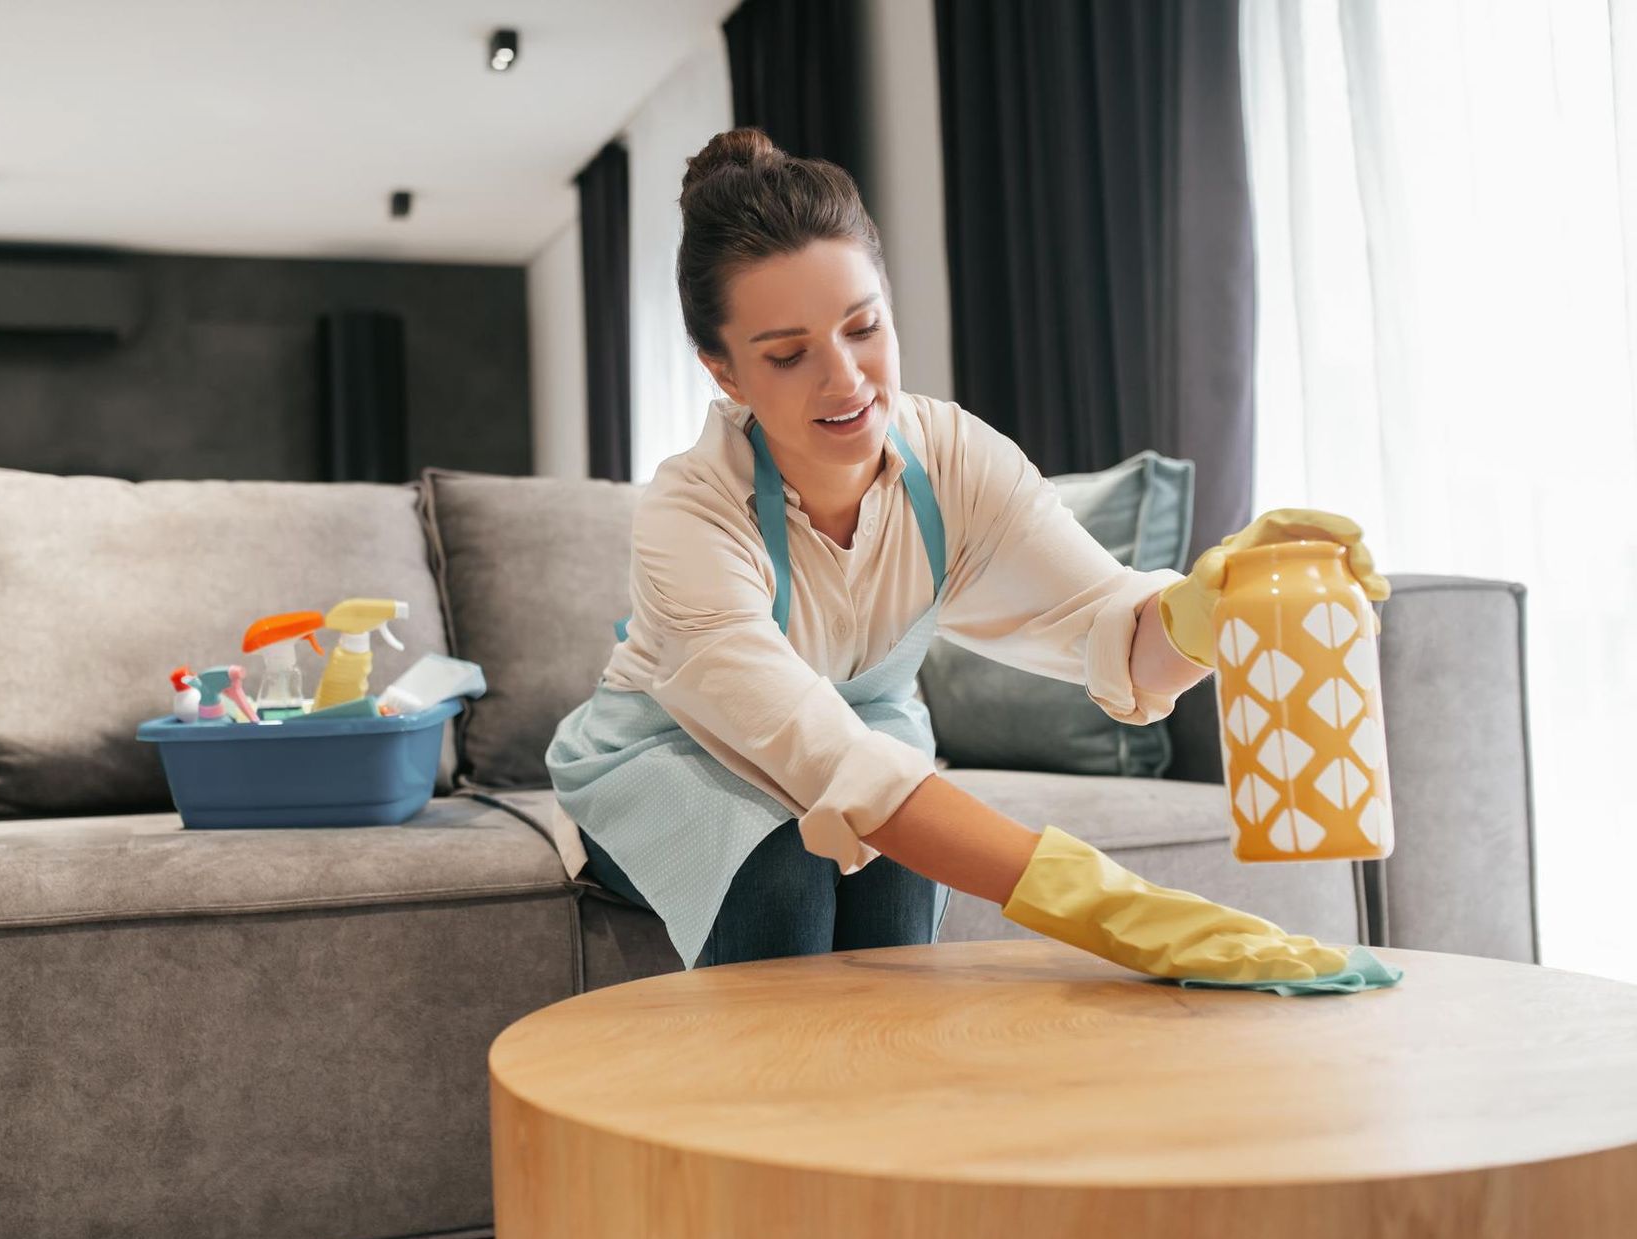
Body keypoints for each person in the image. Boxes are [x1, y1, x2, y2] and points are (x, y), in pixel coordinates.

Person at [545, 126, 1395, 992]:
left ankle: (900, 1117)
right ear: (723, 372)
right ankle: (767, 1120)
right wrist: (1114, 911)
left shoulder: (951, 459)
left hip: (863, 743)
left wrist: (1208, 609)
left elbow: (1110, 628)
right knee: (785, 869)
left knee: (894, 863)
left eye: (864, 327)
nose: (846, 380)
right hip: (672, 759)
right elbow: (825, 760)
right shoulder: (690, 513)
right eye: (790, 355)